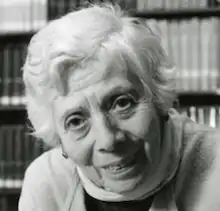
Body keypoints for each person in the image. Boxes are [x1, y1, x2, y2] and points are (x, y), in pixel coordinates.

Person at [18, 3, 220, 211]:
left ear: (160, 100)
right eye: (76, 121)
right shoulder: (46, 184)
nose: (108, 140)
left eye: (122, 103)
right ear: (60, 141)